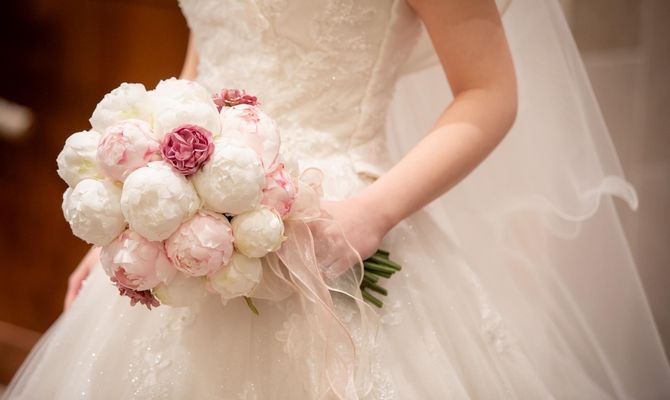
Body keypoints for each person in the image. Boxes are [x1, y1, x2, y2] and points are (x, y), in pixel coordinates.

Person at [5, 0, 670, 398]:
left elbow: (489, 91)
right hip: (189, 224)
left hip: (337, 222)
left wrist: (370, 215)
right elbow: (206, 67)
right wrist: (140, 217)